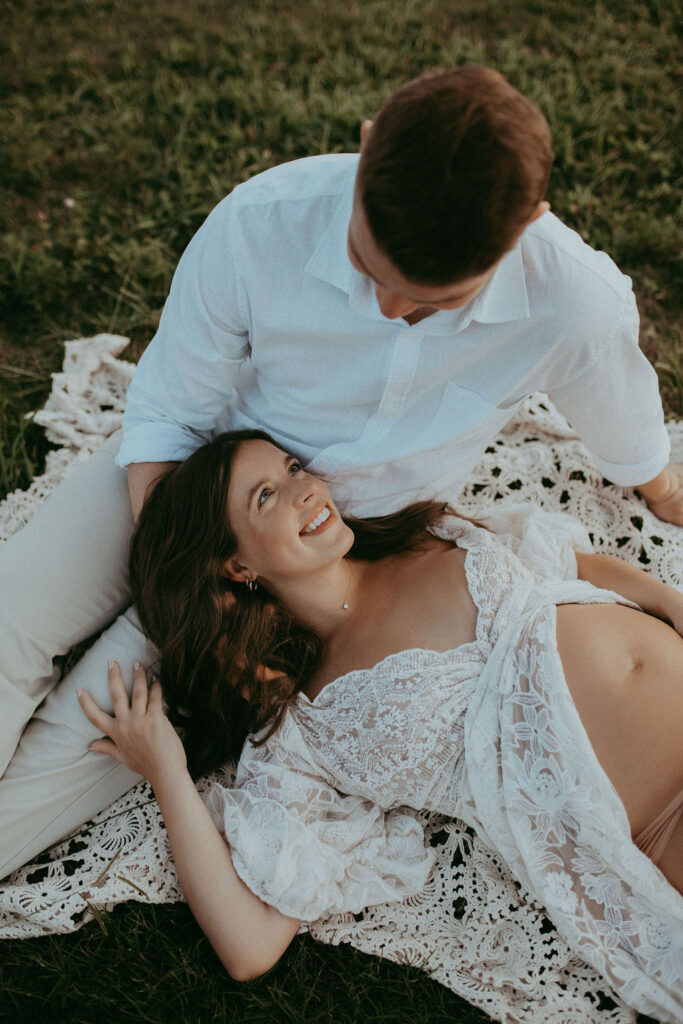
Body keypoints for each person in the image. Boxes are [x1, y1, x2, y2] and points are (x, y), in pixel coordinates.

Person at [1, 64, 682, 879]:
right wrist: (180, 563)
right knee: (14, 616)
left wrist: (660, 485)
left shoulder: (572, 300)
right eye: (370, 270)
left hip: (315, 557)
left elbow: (621, 411)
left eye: (431, 303)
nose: (391, 310)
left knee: (100, 725)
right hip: (181, 474)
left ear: (527, 224)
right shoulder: (259, 224)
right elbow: (168, 409)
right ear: (364, 147)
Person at [77, 430, 683, 1021]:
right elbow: (248, 948)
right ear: (236, 564)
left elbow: (570, 569)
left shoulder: (423, 535)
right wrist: (165, 769)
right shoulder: (307, 725)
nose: (304, 489)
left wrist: (675, 605)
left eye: (292, 468)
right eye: (265, 495)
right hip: (661, 822)